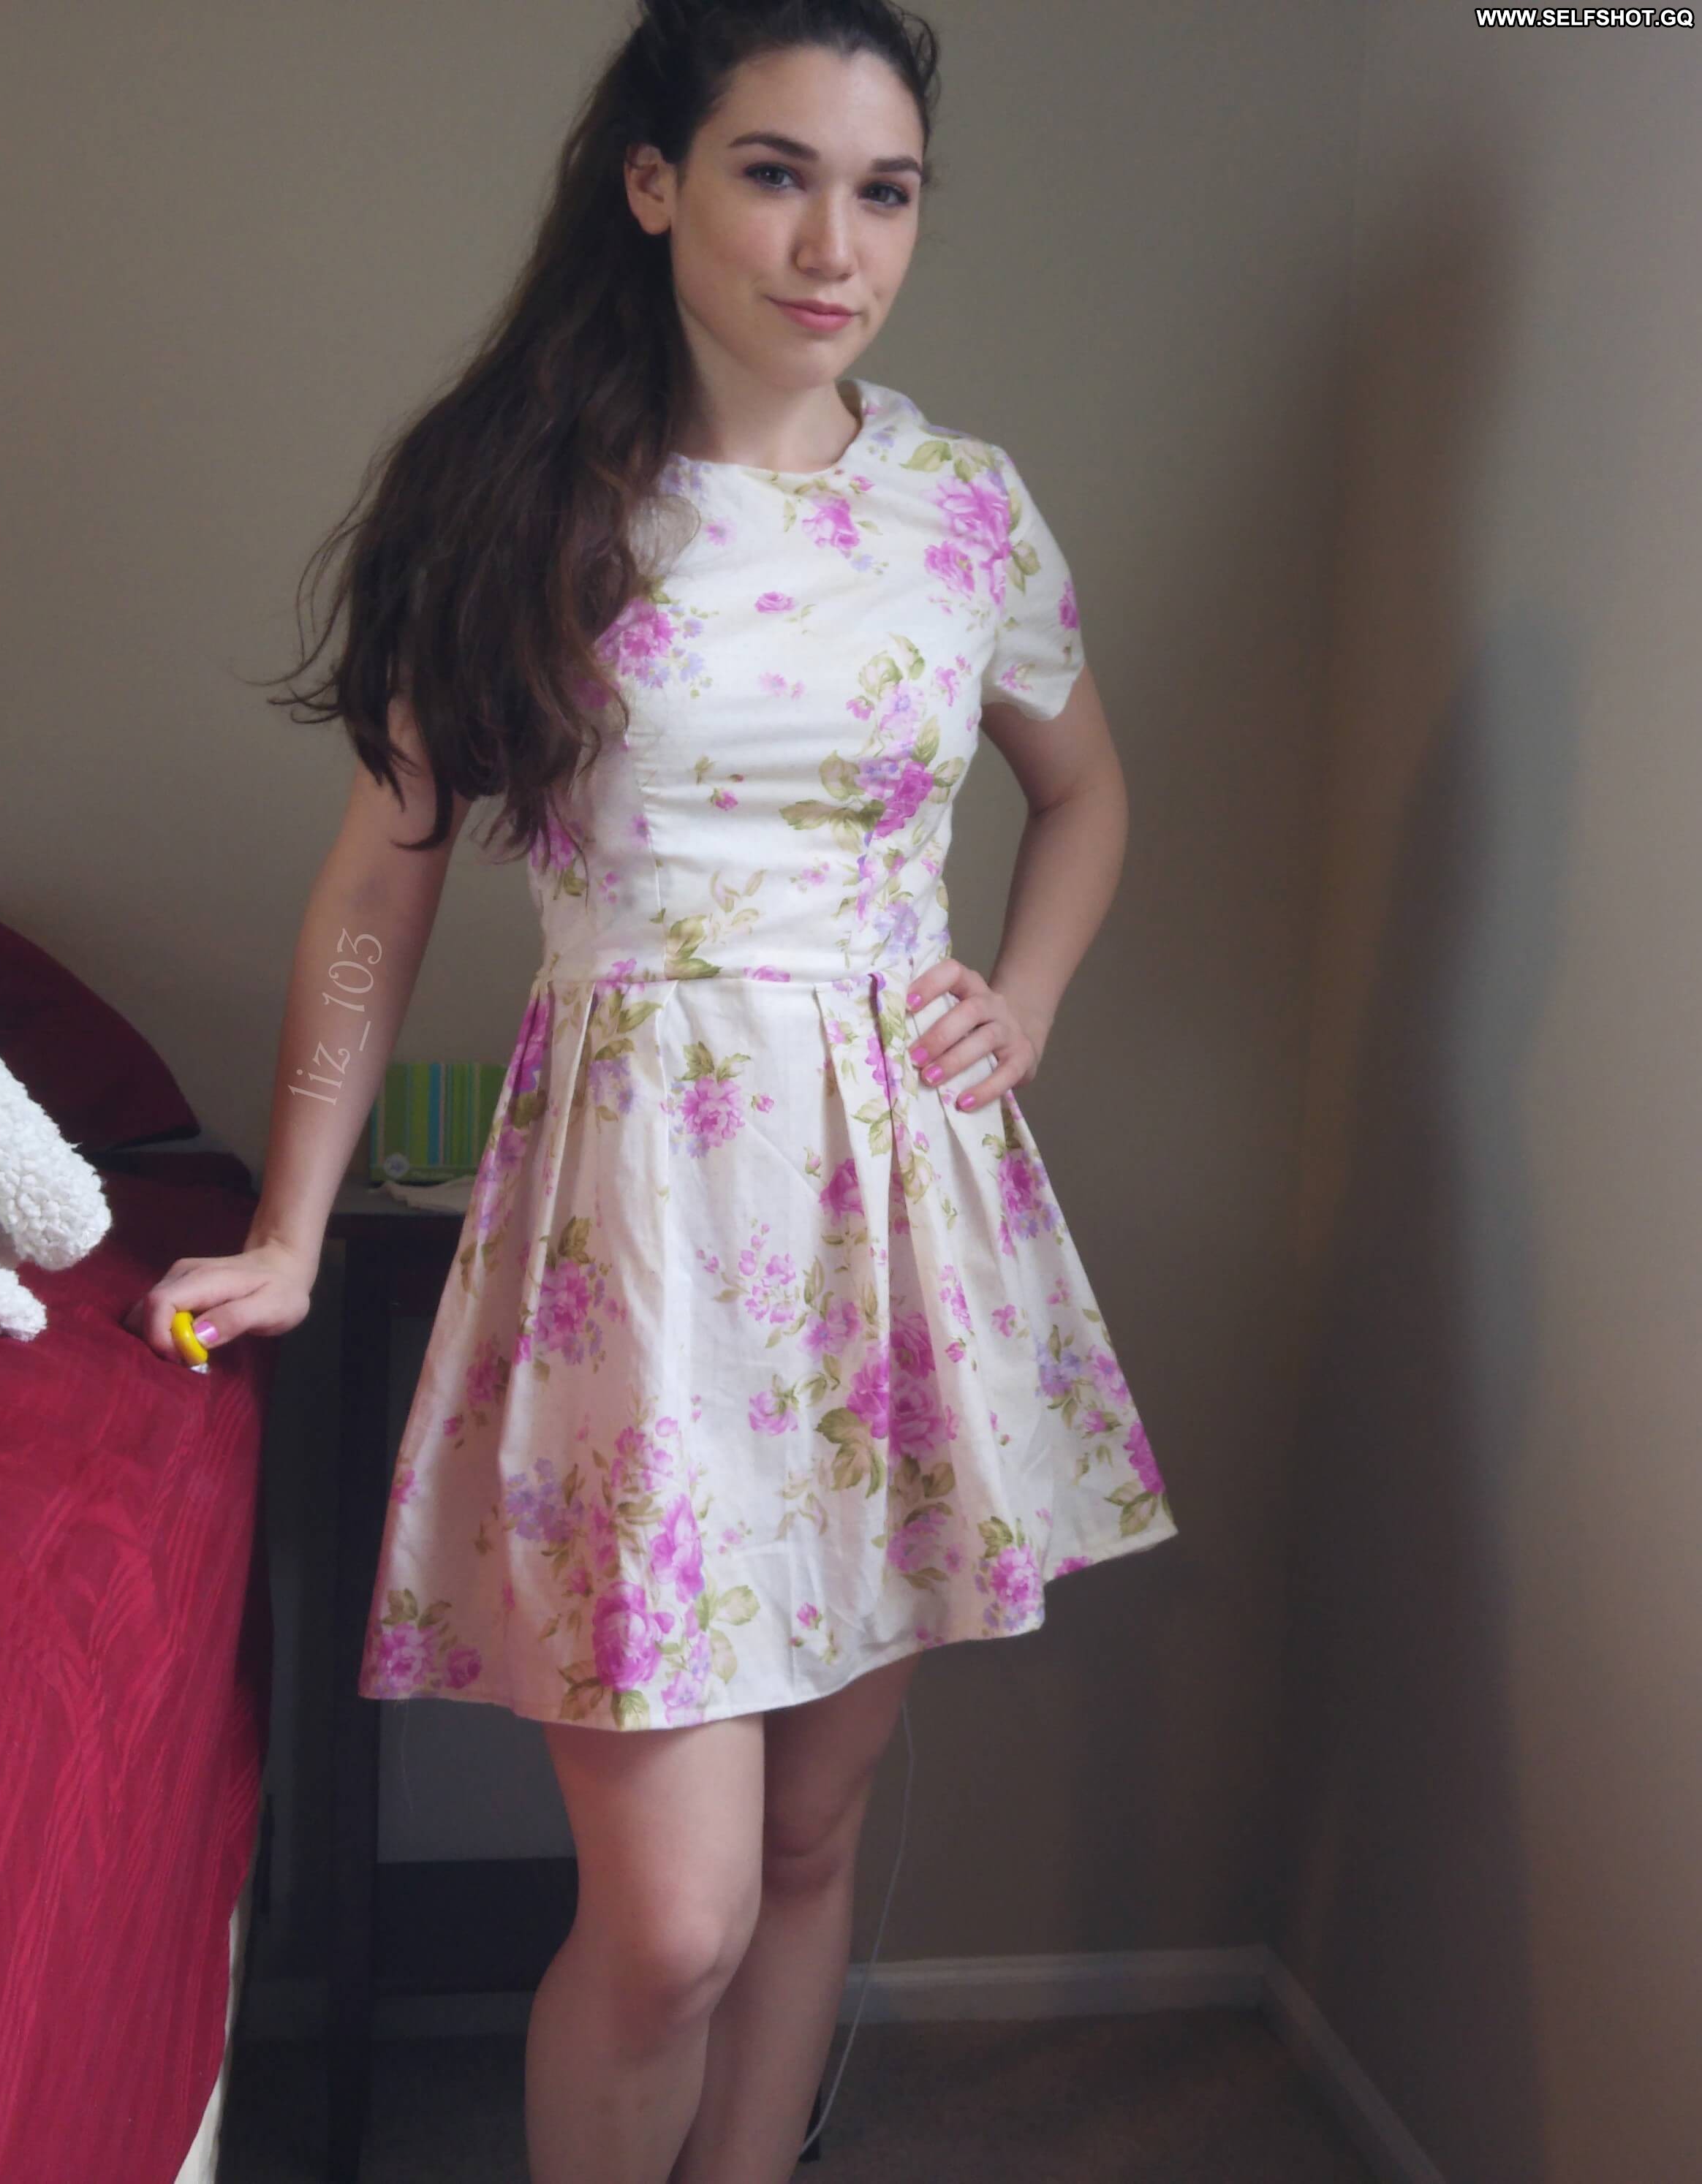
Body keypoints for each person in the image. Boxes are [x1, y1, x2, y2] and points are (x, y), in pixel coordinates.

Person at [127, 2, 1180, 2177]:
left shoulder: (963, 509)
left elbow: (1084, 795)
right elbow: (381, 877)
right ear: (652, 181)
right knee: (674, 1915)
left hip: (894, 1222)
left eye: (883, 191)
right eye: (776, 173)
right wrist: (297, 1225)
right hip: (644, 1237)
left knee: (806, 1845)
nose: (834, 244)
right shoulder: (515, 497)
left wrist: (1026, 1005)